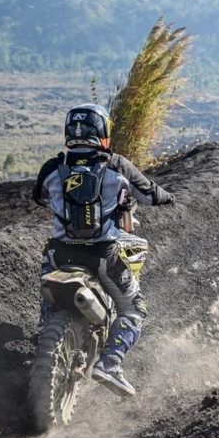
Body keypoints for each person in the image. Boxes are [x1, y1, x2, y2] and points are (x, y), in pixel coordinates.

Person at [33, 103, 174, 397]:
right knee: (134, 309)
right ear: (103, 131)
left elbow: (39, 196)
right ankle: (110, 364)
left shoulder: (51, 168)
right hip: (101, 255)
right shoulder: (117, 165)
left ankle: (44, 343)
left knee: (50, 302)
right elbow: (150, 195)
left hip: (59, 254)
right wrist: (168, 197)